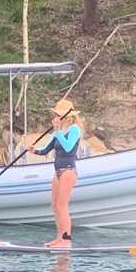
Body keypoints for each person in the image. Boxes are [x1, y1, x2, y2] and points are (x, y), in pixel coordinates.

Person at [27, 99, 82, 248]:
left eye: (59, 114)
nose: (56, 117)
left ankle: (66, 240)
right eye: (56, 114)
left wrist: (57, 131)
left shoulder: (75, 129)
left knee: (62, 206)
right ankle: (59, 237)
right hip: (57, 171)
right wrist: (34, 150)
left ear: (67, 116)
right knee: (55, 206)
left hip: (68, 170)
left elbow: (68, 147)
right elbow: (46, 149)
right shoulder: (59, 132)